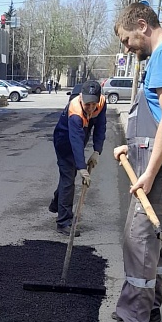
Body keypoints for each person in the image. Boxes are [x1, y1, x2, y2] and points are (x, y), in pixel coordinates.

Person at [98, 2, 162, 322]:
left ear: (142, 25)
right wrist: (135, 147)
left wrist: (150, 171)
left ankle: (134, 318)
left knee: (138, 238)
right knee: (151, 239)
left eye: (126, 39)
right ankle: (149, 306)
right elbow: (160, 120)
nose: (126, 47)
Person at [49, 80, 106, 236]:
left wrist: (97, 151)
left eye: (93, 104)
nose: (90, 107)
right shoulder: (75, 112)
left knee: (67, 178)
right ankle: (63, 222)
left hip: (81, 136)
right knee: (68, 179)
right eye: (87, 104)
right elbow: (75, 141)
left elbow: (100, 127)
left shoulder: (101, 103)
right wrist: (82, 167)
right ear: (81, 97)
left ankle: (57, 204)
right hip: (65, 140)